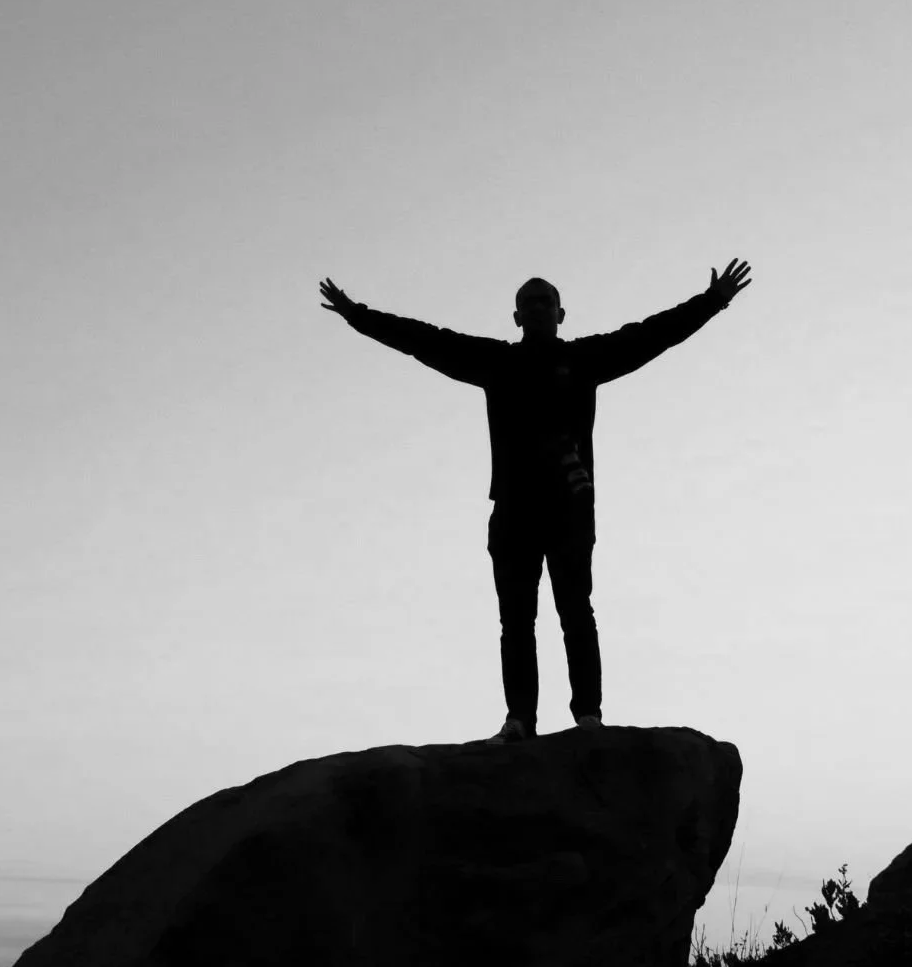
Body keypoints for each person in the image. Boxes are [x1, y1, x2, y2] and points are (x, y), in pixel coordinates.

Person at [319, 259, 753, 744]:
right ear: (516, 317)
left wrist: (712, 302)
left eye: (545, 300)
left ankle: (588, 715)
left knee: (576, 610)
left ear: (562, 313)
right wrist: (357, 315)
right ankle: (519, 720)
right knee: (516, 620)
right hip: (514, 509)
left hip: (569, 505)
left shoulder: (586, 359)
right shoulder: (498, 363)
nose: (538, 307)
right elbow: (426, 341)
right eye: (529, 302)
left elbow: (650, 336)